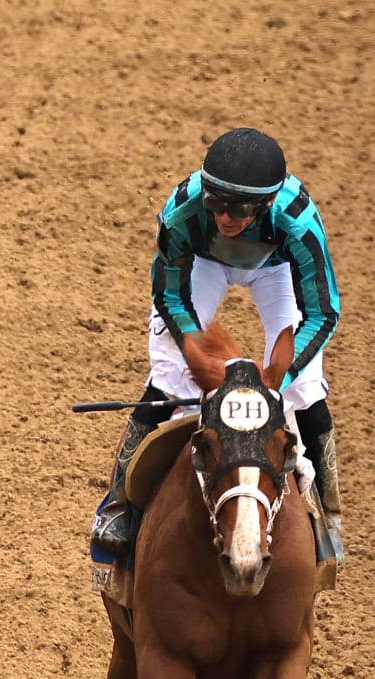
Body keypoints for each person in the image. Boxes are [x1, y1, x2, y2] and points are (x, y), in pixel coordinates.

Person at [91, 127, 344, 588]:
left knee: (305, 390)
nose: (225, 216)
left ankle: (328, 513)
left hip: (275, 266)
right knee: (170, 379)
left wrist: (278, 382)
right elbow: (170, 295)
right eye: (216, 203)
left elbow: (323, 312)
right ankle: (117, 509)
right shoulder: (185, 210)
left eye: (239, 208)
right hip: (202, 264)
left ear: (266, 204)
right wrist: (190, 348)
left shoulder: (299, 223)